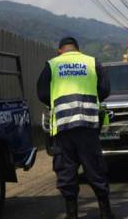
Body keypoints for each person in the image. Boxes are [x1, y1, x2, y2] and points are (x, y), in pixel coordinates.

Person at [37, 37, 115, 219]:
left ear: (60, 51)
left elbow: (41, 93)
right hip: (88, 125)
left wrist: (56, 102)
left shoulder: (52, 64)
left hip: (64, 127)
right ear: (78, 50)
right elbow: (105, 89)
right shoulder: (92, 62)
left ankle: (72, 214)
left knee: (66, 171)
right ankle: (105, 212)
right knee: (95, 169)